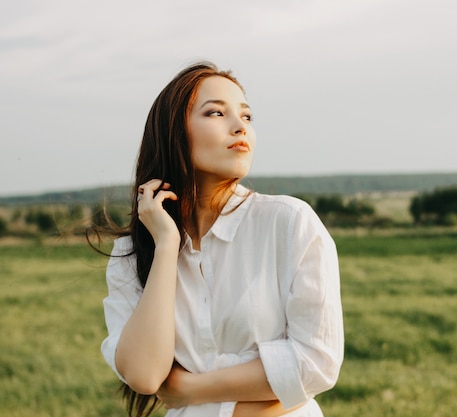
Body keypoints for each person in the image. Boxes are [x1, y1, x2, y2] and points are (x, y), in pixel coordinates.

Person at [99, 62, 344, 417]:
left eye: (246, 116)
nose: (239, 127)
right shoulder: (133, 251)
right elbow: (145, 375)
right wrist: (167, 246)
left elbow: (317, 363)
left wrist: (189, 389)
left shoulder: (289, 223)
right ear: (174, 133)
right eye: (216, 112)